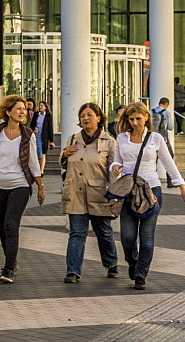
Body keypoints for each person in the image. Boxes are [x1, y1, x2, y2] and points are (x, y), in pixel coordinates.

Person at [110, 100, 185, 289]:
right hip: (129, 190)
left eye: (138, 118)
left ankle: (141, 274)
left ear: (146, 117)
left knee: (146, 237)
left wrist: (182, 187)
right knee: (128, 237)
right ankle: (133, 262)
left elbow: (168, 162)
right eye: (131, 119)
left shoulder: (156, 139)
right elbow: (116, 161)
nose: (135, 122)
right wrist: (115, 168)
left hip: (151, 189)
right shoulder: (122, 137)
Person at [0, 94, 45, 283]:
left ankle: (8, 268)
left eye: (24, 109)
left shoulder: (28, 135)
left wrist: (40, 186)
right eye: (18, 108)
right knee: (2, 226)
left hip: (20, 185)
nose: (23, 112)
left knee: (10, 224)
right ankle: (12, 260)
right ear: (8, 112)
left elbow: (33, 162)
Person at [60, 103, 119, 284]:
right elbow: (64, 164)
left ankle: (111, 263)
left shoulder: (108, 141)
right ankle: (73, 271)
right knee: (77, 233)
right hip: (75, 193)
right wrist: (63, 155)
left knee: (104, 232)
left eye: (89, 115)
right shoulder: (72, 139)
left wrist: (115, 194)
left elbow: (113, 169)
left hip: (99, 194)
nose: (86, 118)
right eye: (83, 115)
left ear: (98, 117)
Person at [151, 98, 175, 187]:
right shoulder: (167, 113)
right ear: (166, 104)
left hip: (152, 139)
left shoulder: (151, 111)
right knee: (169, 158)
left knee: (153, 160)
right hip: (163, 139)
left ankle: (152, 180)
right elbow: (170, 127)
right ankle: (170, 181)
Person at [30, 100, 55, 175]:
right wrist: (34, 128)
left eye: (42, 106)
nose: (40, 107)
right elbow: (32, 124)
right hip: (37, 134)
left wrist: (51, 140)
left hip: (44, 135)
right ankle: (37, 169)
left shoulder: (48, 115)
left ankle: (41, 170)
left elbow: (50, 127)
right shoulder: (36, 114)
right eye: (39, 105)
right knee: (37, 152)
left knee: (43, 152)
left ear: (45, 107)